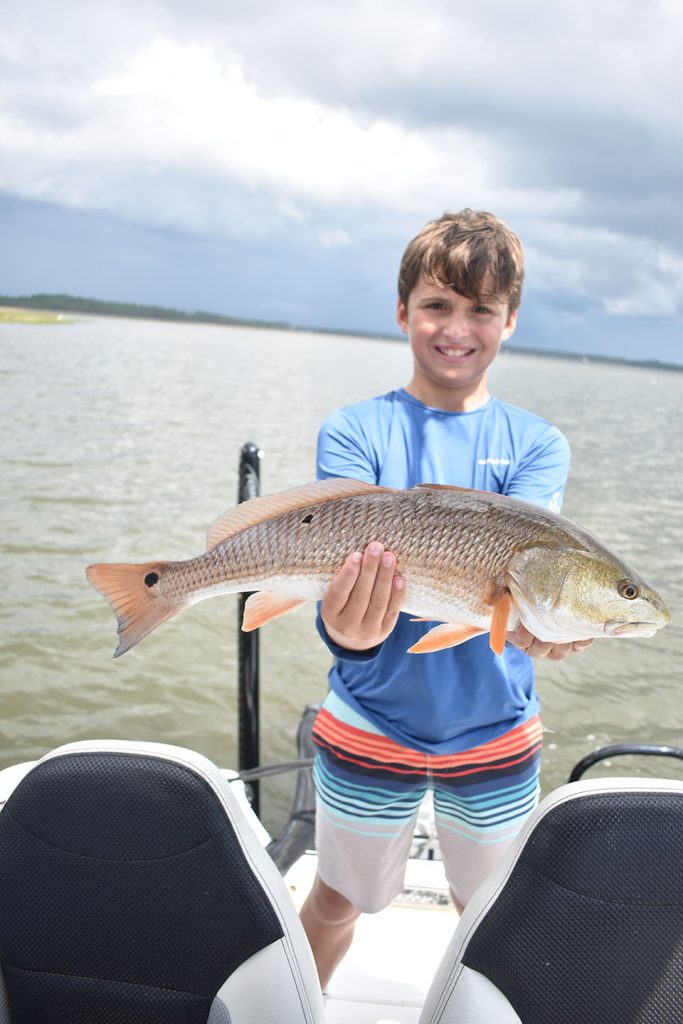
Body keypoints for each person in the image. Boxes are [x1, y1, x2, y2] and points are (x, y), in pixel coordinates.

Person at [299, 209, 592, 990]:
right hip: (369, 719)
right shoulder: (354, 431)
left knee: (486, 917)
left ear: (510, 320)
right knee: (333, 901)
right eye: (436, 304)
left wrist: (543, 625)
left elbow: (531, 572)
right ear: (402, 312)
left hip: (495, 730)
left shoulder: (536, 445)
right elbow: (338, 584)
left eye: (480, 309)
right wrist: (348, 633)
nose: (455, 328)